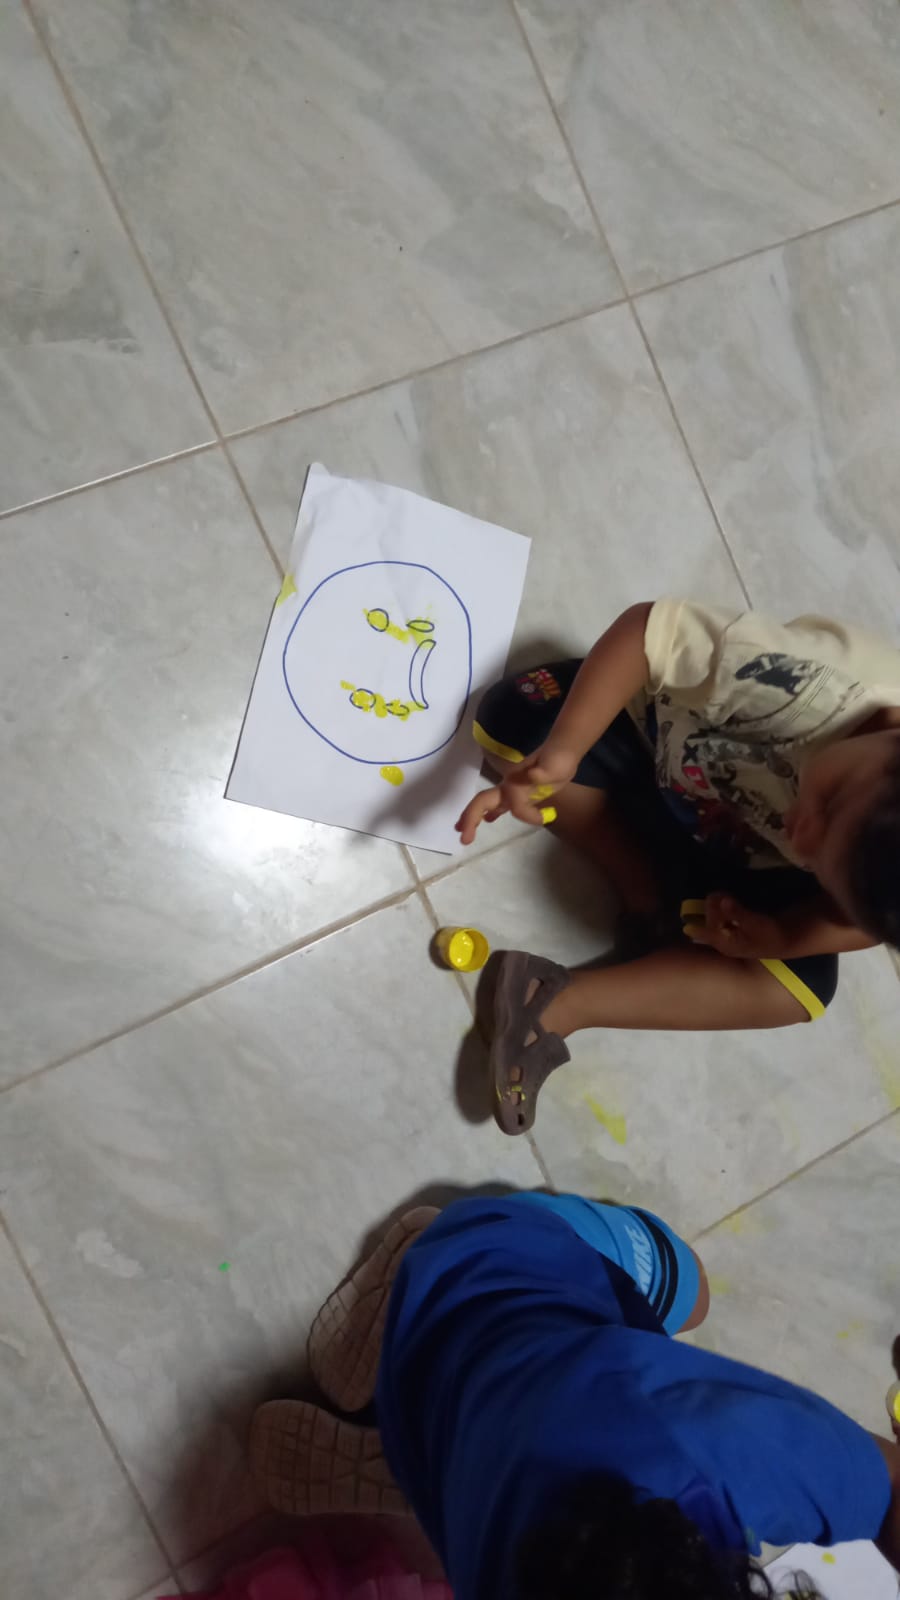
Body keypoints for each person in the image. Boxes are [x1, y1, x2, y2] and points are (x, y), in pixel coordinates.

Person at [250, 1194, 900, 1600]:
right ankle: (410, 1470)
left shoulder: (698, 1445)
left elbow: (887, 1486)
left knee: (691, 1288)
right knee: (481, 1484)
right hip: (457, 1489)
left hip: (478, 1272)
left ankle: (406, 1271)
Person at [453, 599, 900, 1133]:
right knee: (511, 726)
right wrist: (564, 753)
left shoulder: (855, 842)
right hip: (647, 742)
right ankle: (642, 890)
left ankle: (559, 1001)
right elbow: (644, 630)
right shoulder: (805, 685)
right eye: (829, 802)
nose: (803, 835)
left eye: (822, 863)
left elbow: (855, 926)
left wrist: (780, 936)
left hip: (737, 847)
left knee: (799, 991)